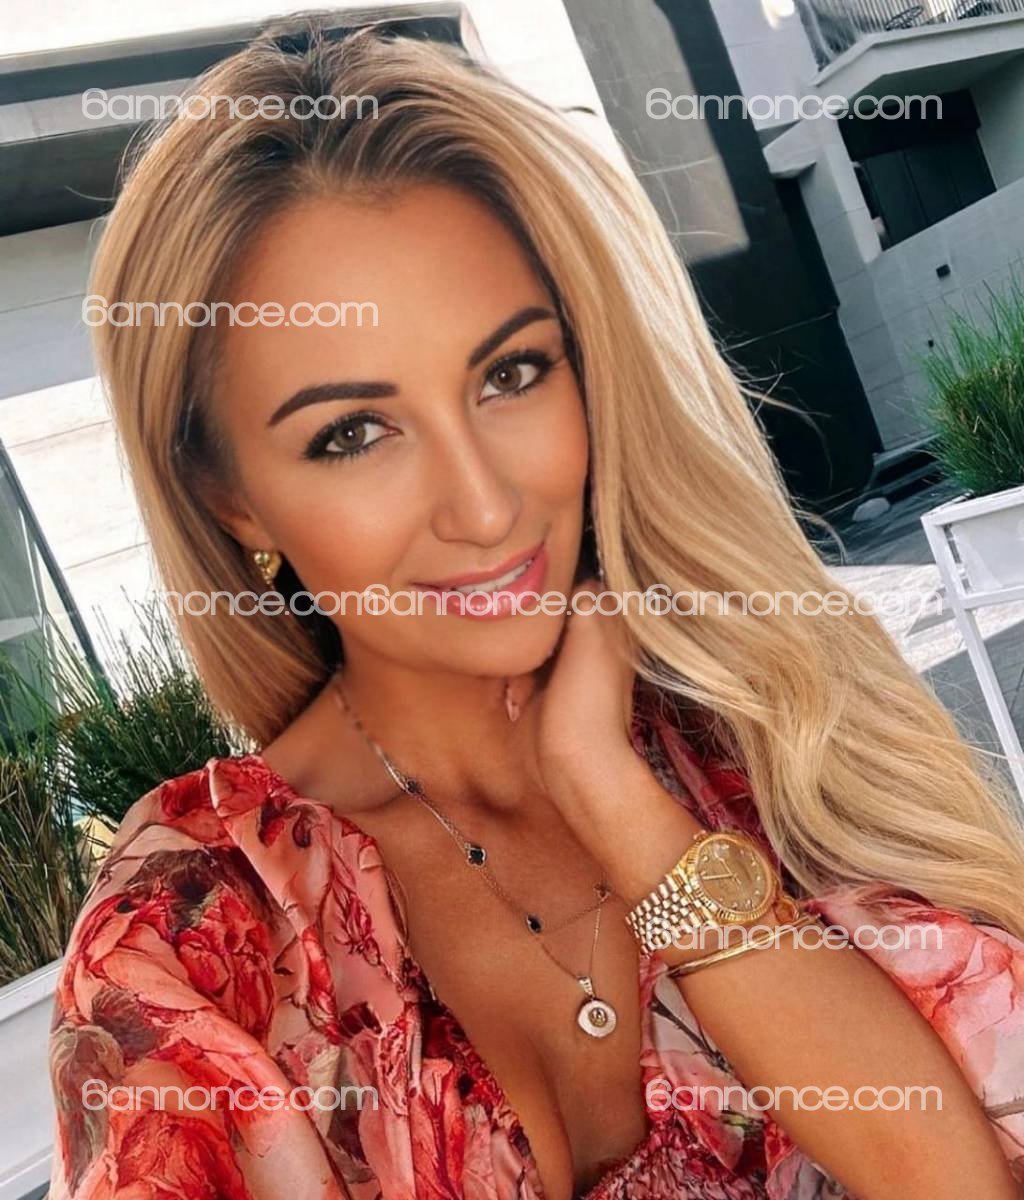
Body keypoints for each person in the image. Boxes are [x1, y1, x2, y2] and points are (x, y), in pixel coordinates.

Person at [47, 19, 1024, 1200]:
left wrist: (614, 797)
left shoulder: (769, 721)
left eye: (510, 373)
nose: (484, 503)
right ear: (231, 497)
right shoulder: (195, 939)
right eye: (352, 433)